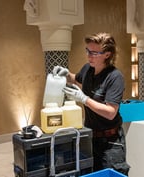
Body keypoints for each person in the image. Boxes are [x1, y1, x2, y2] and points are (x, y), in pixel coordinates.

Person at [53, 32, 130, 175]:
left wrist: (84, 99)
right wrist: (67, 74)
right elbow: (77, 78)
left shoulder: (114, 77)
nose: (89, 56)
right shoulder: (88, 69)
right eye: (88, 51)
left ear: (107, 54)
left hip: (110, 143)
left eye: (94, 53)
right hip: (89, 137)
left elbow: (110, 112)